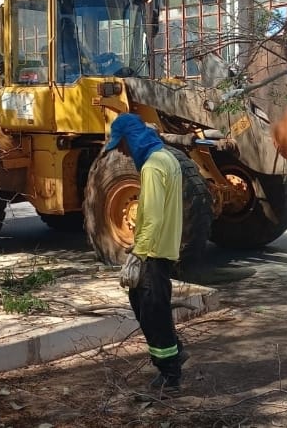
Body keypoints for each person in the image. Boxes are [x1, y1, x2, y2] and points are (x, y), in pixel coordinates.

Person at [103, 113, 188, 394]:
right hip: (163, 248)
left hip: (152, 252)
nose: (123, 152)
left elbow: (150, 216)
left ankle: (170, 374)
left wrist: (138, 254)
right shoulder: (168, 159)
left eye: (123, 145)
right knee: (154, 308)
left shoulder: (152, 167)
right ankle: (175, 352)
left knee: (151, 312)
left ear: (132, 138)